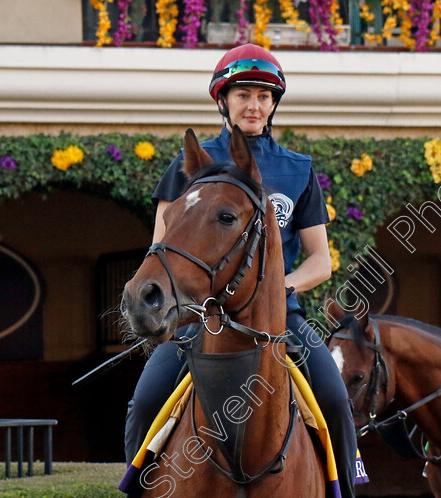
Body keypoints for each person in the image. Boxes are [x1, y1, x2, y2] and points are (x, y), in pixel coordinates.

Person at [124, 44, 357, 497]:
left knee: (334, 396)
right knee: (146, 399)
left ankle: (344, 490)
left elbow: (320, 261)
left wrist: (272, 289)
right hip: (199, 318)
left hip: (279, 320)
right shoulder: (190, 163)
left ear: (274, 104)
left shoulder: (298, 170)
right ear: (223, 101)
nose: (255, 105)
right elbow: (161, 242)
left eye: (265, 96)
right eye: (244, 95)